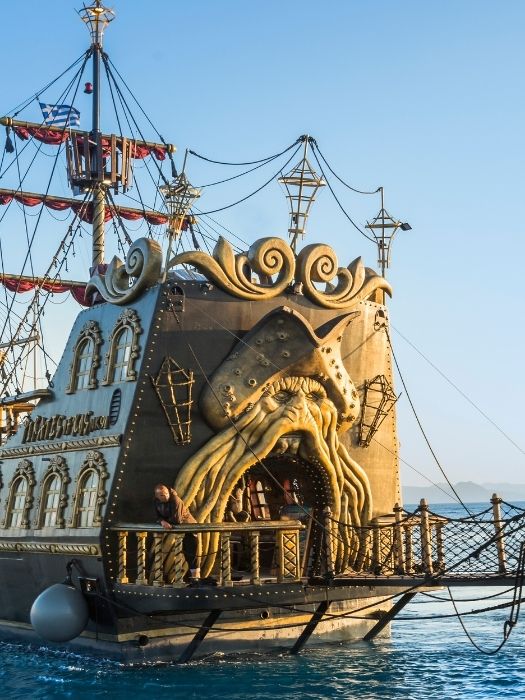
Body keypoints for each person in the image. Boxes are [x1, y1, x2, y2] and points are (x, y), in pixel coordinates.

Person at [153, 484, 200, 582]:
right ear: (157, 496)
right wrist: (162, 521)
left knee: (192, 556)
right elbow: (156, 516)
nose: (165, 496)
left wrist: (164, 521)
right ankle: (190, 580)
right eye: (162, 495)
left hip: (189, 529)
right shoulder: (156, 502)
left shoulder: (175, 500)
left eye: (166, 493)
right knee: (183, 554)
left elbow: (176, 519)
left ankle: (196, 580)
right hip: (179, 532)